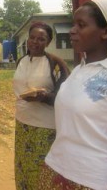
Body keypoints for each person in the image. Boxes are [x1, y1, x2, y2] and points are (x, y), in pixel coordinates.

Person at [39, 0, 107, 190]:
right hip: (53, 169)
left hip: (90, 181)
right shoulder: (80, 69)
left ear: (105, 32)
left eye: (81, 25)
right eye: (73, 24)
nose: (72, 30)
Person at [13, 22, 70, 189]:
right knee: (23, 169)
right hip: (22, 125)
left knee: (41, 174)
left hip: (45, 129)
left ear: (48, 42)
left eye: (41, 39)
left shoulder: (55, 63)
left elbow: (66, 97)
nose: (35, 42)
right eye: (32, 38)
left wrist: (44, 97)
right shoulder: (21, 61)